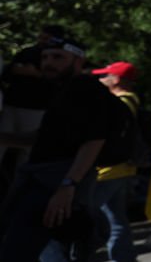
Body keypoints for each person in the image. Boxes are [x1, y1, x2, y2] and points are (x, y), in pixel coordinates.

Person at [0, 34, 112, 261]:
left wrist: (68, 186)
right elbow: (44, 139)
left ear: (78, 60)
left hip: (55, 186)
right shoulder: (60, 91)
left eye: (58, 57)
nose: (49, 63)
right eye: (45, 57)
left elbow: (94, 140)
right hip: (40, 181)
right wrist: (5, 137)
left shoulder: (85, 89)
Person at [0, 25, 62, 194]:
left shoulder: (62, 58)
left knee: (27, 153)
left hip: (37, 109)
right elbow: (8, 72)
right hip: (13, 105)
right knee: (3, 143)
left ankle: (21, 189)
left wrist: (38, 74)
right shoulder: (27, 52)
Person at [91, 61, 141, 262]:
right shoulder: (128, 100)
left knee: (86, 215)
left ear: (116, 79)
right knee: (116, 220)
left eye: (104, 76)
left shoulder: (121, 102)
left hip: (110, 170)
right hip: (120, 169)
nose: (101, 80)